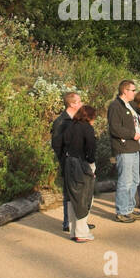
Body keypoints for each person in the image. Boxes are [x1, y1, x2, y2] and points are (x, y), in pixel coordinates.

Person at [107, 80, 140, 222]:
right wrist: (131, 134)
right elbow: (114, 128)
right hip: (124, 148)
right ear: (124, 91)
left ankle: (129, 208)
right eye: (132, 90)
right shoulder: (115, 106)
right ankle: (122, 211)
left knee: (135, 179)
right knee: (125, 180)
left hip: (135, 147)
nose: (135, 93)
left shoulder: (131, 105)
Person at [62, 105, 99, 242]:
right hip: (81, 164)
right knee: (84, 197)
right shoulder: (87, 128)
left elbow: (63, 144)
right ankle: (81, 232)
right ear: (90, 116)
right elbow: (91, 148)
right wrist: (91, 165)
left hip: (69, 162)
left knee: (72, 197)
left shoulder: (70, 126)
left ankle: (73, 231)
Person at [49, 90, 81, 232]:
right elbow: (56, 144)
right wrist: (66, 158)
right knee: (69, 192)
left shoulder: (77, 120)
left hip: (79, 162)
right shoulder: (61, 122)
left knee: (79, 192)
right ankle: (68, 222)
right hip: (68, 162)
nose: (81, 104)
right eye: (79, 101)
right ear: (72, 104)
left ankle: (79, 221)